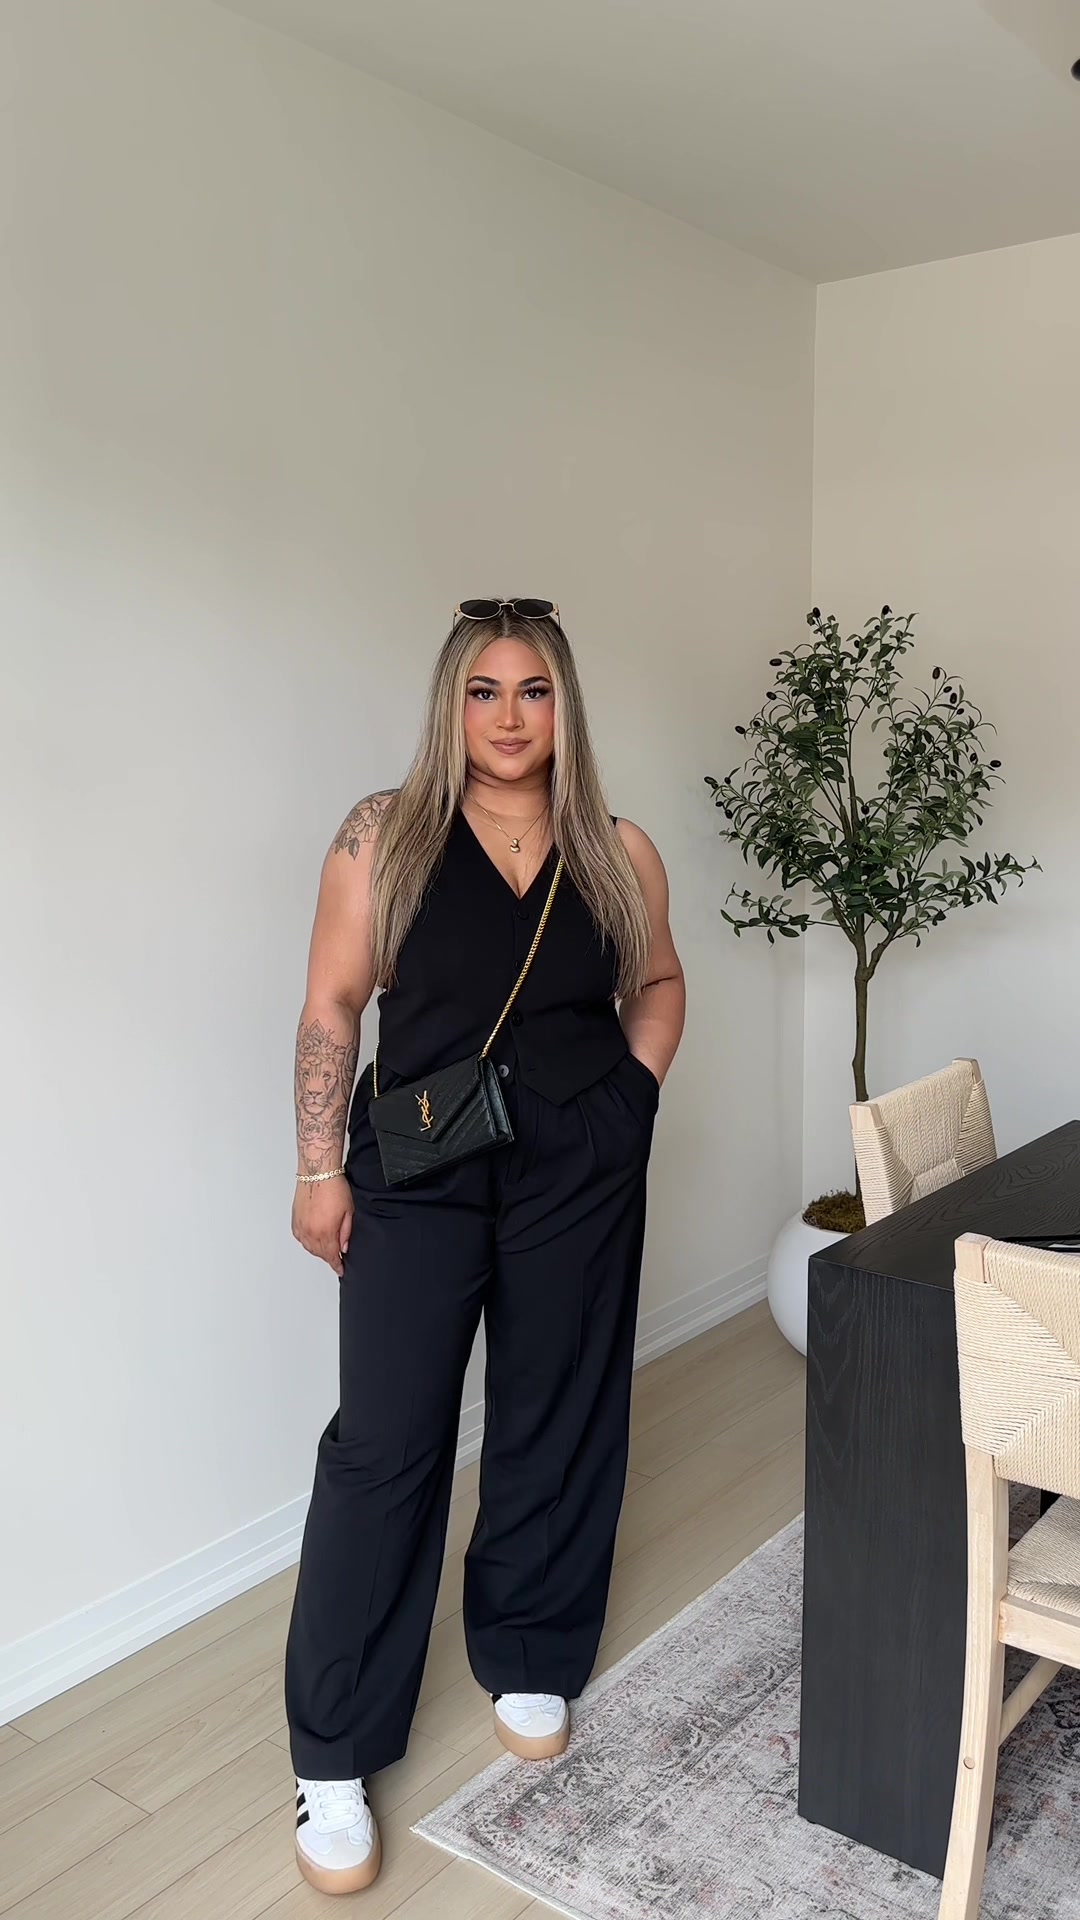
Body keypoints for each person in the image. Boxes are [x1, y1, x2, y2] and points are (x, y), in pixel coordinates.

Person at [284, 597, 685, 1894]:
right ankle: (334, 1753)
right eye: (484, 691)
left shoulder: (616, 848)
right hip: (421, 1163)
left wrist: (629, 1101)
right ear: (450, 703)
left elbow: (658, 981)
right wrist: (317, 1167)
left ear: (565, 705)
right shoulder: (384, 836)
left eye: (534, 690)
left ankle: (528, 1650)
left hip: (575, 1162)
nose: (510, 717)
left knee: (555, 1410)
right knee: (385, 1444)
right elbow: (333, 1003)